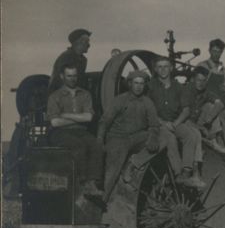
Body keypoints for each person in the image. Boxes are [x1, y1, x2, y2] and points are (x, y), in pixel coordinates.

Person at [97, 71, 165, 204]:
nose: (138, 86)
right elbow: (104, 121)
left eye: (141, 83)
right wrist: (99, 139)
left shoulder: (147, 102)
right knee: (113, 169)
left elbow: (154, 124)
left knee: (164, 137)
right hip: (118, 138)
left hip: (137, 137)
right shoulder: (120, 100)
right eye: (135, 83)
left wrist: (153, 136)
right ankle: (102, 200)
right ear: (130, 84)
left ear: (145, 85)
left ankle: (133, 164)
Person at [45, 62, 104, 202]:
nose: (72, 79)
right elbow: (55, 122)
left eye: (75, 76)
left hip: (81, 131)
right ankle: (81, 183)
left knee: (97, 145)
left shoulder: (85, 95)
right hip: (58, 133)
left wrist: (64, 115)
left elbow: (89, 118)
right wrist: (79, 119)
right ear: (62, 76)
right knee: (79, 146)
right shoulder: (54, 96)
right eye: (69, 76)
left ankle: (92, 183)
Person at [148, 56, 205, 189]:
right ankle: (178, 173)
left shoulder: (178, 87)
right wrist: (162, 122)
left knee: (190, 135)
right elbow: (148, 111)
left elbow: (186, 110)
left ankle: (186, 173)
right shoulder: (150, 86)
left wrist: (176, 123)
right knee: (170, 138)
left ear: (171, 68)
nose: (163, 70)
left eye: (166, 66)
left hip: (175, 122)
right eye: (160, 67)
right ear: (155, 69)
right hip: (158, 124)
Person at [183, 66, 225, 154]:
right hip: (185, 122)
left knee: (210, 106)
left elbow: (220, 104)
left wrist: (210, 118)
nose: (201, 83)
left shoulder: (205, 91)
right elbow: (185, 117)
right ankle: (204, 142)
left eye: (204, 80)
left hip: (197, 121)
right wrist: (202, 128)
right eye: (199, 80)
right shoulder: (186, 91)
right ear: (193, 79)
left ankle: (214, 142)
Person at [49, 28, 91, 93]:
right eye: (86, 42)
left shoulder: (83, 59)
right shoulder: (67, 57)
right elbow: (63, 82)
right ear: (77, 43)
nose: (89, 45)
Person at [197, 38, 225, 103]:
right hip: (204, 103)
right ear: (209, 51)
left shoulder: (223, 70)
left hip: (219, 103)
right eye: (214, 51)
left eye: (219, 52)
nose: (216, 54)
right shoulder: (202, 65)